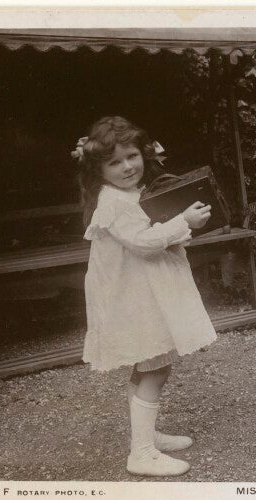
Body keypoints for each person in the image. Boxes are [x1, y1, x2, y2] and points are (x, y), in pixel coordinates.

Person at [74, 116, 217, 476]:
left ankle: (146, 436)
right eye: (114, 162)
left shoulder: (129, 194)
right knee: (155, 366)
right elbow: (142, 242)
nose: (127, 167)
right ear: (98, 169)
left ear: (144, 154)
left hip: (143, 289)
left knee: (150, 364)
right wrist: (183, 221)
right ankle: (140, 453)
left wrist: (179, 227)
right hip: (132, 296)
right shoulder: (112, 202)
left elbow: (151, 230)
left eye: (132, 156)